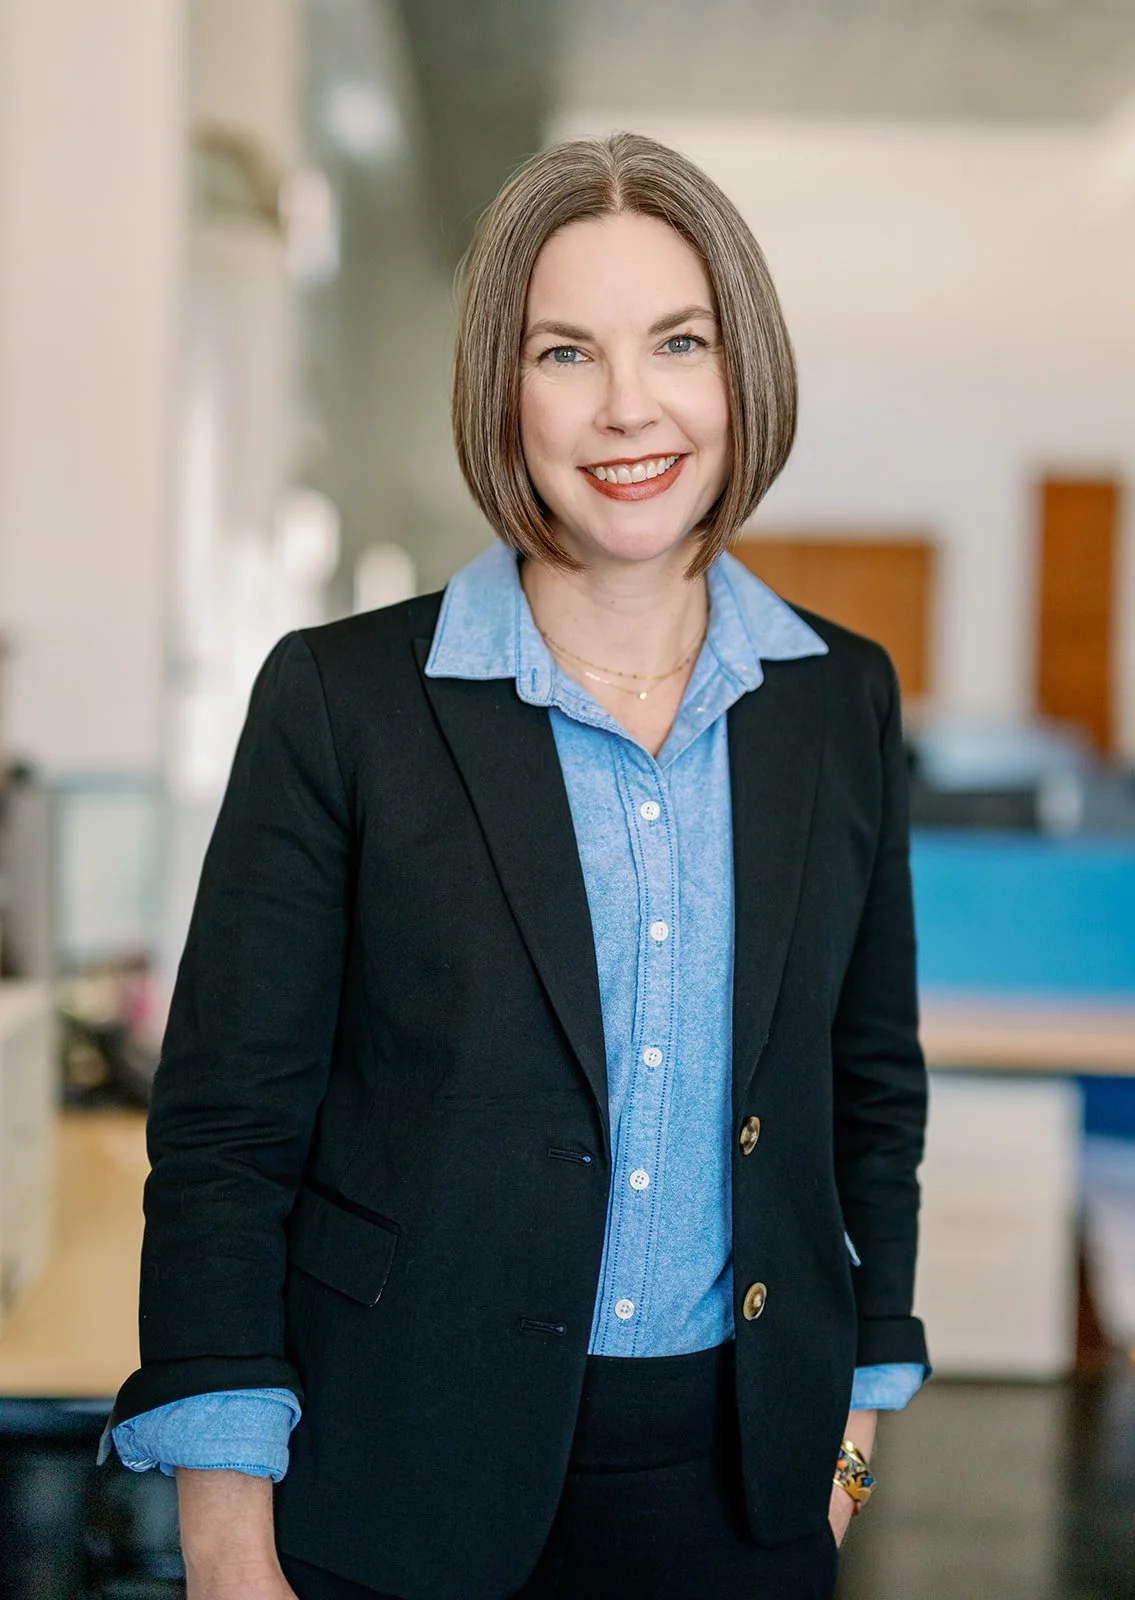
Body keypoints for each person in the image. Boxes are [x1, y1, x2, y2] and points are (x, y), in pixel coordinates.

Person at [102, 132, 929, 1600]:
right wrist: (228, 1541)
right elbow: (228, 1131)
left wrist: (851, 1444)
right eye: (564, 352)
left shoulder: (838, 698)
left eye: (679, 341)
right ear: (503, 386)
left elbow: (869, 1097)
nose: (628, 408)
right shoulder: (342, 700)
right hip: (395, 1478)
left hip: (742, 1504)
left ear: (743, 372)